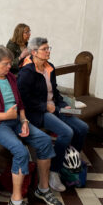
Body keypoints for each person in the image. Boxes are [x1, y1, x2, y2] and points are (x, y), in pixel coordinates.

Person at [0, 46, 62, 205]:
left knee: (43, 140)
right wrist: (6, 115)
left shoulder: (11, 77)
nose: (8, 67)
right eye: (5, 64)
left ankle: (43, 189)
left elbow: (19, 103)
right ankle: (16, 200)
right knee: (20, 150)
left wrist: (24, 120)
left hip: (15, 120)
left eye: (10, 64)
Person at [18, 37, 88, 192]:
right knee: (66, 132)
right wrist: (44, 106)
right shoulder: (27, 71)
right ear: (34, 52)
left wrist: (64, 106)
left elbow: (55, 92)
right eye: (45, 49)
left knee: (83, 127)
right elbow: (23, 98)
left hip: (54, 107)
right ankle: (54, 171)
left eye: (49, 48)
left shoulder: (50, 67)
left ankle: (68, 162)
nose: (48, 51)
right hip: (37, 112)